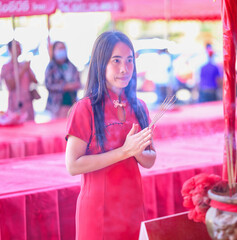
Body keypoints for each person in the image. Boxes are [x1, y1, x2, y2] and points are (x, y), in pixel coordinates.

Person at [65, 31, 156, 240]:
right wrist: (125, 151)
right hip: (98, 211)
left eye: (129, 60)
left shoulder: (140, 107)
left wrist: (138, 152)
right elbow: (73, 165)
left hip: (132, 208)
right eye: (116, 61)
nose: (124, 68)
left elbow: (151, 159)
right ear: (101, 63)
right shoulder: (84, 108)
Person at [0, 40, 38, 121]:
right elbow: (11, 85)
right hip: (15, 104)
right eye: (16, 47)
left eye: (19, 47)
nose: (19, 49)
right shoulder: (6, 67)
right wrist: (23, 70)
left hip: (28, 104)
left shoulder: (24, 64)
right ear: (10, 50)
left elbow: (35, 81)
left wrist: (27, 68)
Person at [45, 41, 81, 119]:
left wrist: (74, 85)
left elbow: (78, 82)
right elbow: (48, 85)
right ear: (54, 51)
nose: (62, 51)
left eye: (63, 48)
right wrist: (64, 87)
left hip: (71, 103)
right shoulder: (51, 67)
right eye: (59, 48)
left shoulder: (72, 66)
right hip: (56, 106)